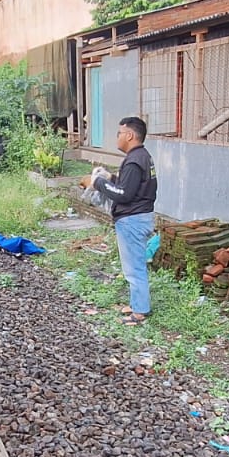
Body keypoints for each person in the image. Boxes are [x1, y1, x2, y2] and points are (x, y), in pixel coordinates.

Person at [80, 116, 158, 325]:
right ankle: (136, 303)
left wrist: (97, 183)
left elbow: (124, 194)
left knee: (134, 267)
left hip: (133, 219)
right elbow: (131, 186)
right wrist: (110, 178)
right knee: (133, 264)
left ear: (130, 135)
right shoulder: (141, 157)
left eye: (119, 133)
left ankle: (139, 312)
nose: (117, 137)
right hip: (139, 216)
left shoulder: (134, 160)